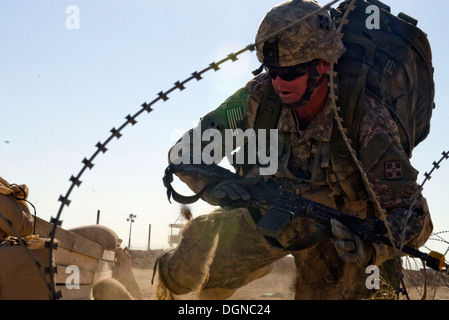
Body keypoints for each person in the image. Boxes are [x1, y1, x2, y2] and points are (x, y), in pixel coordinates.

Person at [153, 0, 433, 300]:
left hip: (342, 242)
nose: (278, 82)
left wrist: (372, 248)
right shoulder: (258, 98)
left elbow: (415, 214)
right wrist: (214, 186)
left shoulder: (366, 119)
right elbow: (184, 153)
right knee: (183, 270)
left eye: (289, 73)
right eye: (272, 70)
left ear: (324, 64)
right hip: (266, 219)